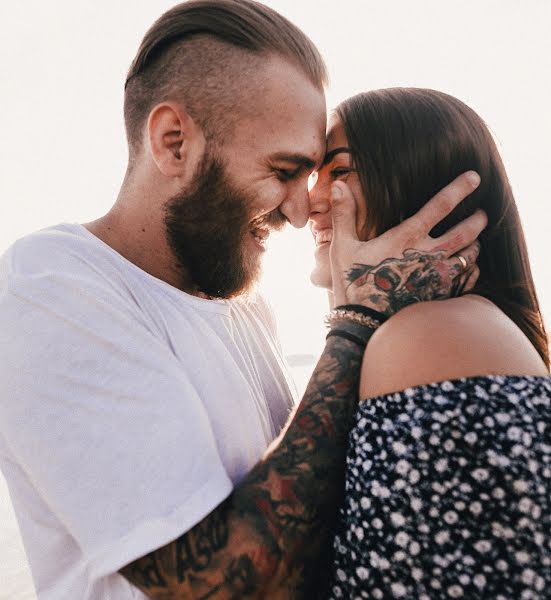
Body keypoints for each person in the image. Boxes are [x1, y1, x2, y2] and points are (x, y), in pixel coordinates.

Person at [0, 3, 485, 599]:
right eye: (284, 170)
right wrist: (359, 317)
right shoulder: (50, 289)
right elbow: (221, 588)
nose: (301, 208)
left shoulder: (245, 302)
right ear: (174, 143)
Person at [308, 88, 550, 599]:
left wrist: (358, 313)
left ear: (419, 185)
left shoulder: (430, 337)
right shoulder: (445, 331)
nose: (311, 199)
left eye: (340, 170)